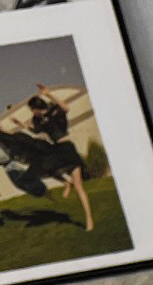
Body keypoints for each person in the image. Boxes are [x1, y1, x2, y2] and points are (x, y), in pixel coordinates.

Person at [0, 81, 92, 228]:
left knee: (79, 187)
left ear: (37, 107)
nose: (32, 112)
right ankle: (66, 182)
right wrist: (19, 124)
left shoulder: (54, 110)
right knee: (44, 165)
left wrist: (49, 94)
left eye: (32, 109)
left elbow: (66, 108)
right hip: (56, 149)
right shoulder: (37, 120)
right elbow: (34, 131)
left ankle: (89, 219)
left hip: (68, 149)